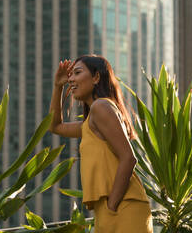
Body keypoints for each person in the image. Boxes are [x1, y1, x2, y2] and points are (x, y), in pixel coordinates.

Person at [49, 55, 153, 233]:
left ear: (96, 77)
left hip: (121, 207)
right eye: (70, 74)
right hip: (111, 208)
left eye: (78, 72)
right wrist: (58, 86)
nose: (71, 78)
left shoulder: (101, 107)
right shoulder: (93, 120)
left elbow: (129, 158)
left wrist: (112, 206)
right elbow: (55, 126)